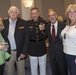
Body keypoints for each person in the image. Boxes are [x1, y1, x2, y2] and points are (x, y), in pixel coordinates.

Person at [1, 6, 29, 75]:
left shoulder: (23, 23)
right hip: (8, 52)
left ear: (18, 14)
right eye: (11, 12)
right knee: (9, 72)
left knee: (21, 72)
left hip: (20, 52)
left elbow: (26, 39)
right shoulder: (3, 23)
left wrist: (24, 52)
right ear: (8, 13)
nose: (13, 13)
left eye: (15, 12)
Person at [45, 9, 68, 75]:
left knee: (63, 71)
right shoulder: (47, 27)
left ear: (56, 16)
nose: (51, 17)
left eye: (53, 15)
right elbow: (45, 37)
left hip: (61, 53)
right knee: (54, 71)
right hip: (52, 54)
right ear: (48, 18)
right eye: (49, 16)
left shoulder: (63, 25)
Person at [27, 7, 47, 75]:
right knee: (33, 67)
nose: (34, 15)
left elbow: (47, 34)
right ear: (30, 14)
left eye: (35, 13)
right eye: (32, 13)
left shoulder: (43, 22)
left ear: (38, 14)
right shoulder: (27, 24)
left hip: (41, 47)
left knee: (43, 67)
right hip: (32, 48)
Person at [61, 4, 76, 75]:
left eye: (74, 11)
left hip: (74, 55)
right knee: (71, 72)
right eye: (70, 12)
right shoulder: (68, 25)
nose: (72, 14)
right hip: (67, 53)